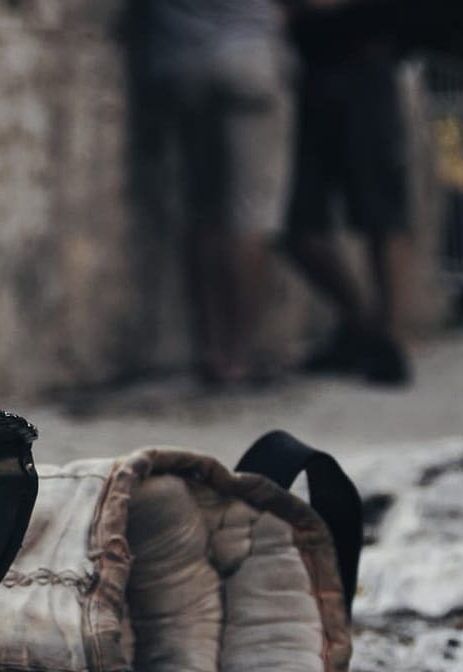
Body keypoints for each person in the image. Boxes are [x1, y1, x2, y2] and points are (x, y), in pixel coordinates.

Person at [126, 0, 293, 388]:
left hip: (181, 64)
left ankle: (211, 353)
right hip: (247, 57)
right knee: (250, 214)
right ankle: (241, 356)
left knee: (203, 213)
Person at [282, 0, 415, 384]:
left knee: (382, 212)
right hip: (309, 72)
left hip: (365, 67)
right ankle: (364, 326)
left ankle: (390, 340)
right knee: (298, 227)